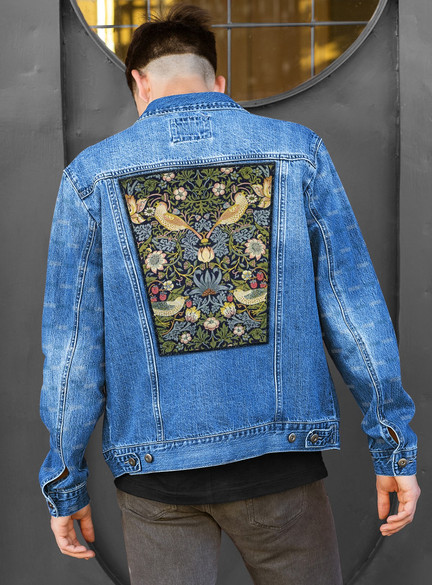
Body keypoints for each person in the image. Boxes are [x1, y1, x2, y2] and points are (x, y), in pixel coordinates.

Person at [39, 3, 420, 584]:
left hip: (155, 476)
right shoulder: (298, 152)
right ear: (219, 82)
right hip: (280, 468)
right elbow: (355, 315)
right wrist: (393, 447)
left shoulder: (90, 178)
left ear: (140, 83)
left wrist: (64, 482)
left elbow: (72, 353)